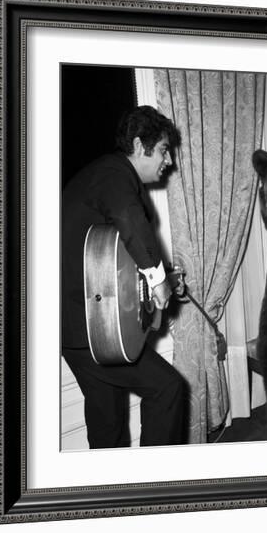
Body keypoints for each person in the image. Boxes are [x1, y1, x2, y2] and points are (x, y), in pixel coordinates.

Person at [61, 105, 187, 449]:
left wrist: (162, 283)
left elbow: (113, 264)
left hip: (81, 329)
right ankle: (152, 487)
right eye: (163, 150)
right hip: (87, 330)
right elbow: (128, 218)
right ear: (137, 145)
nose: (169, 161)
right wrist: (159, 280)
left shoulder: (104, 178)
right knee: (167, 388)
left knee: (108, 423)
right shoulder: (113, 173)